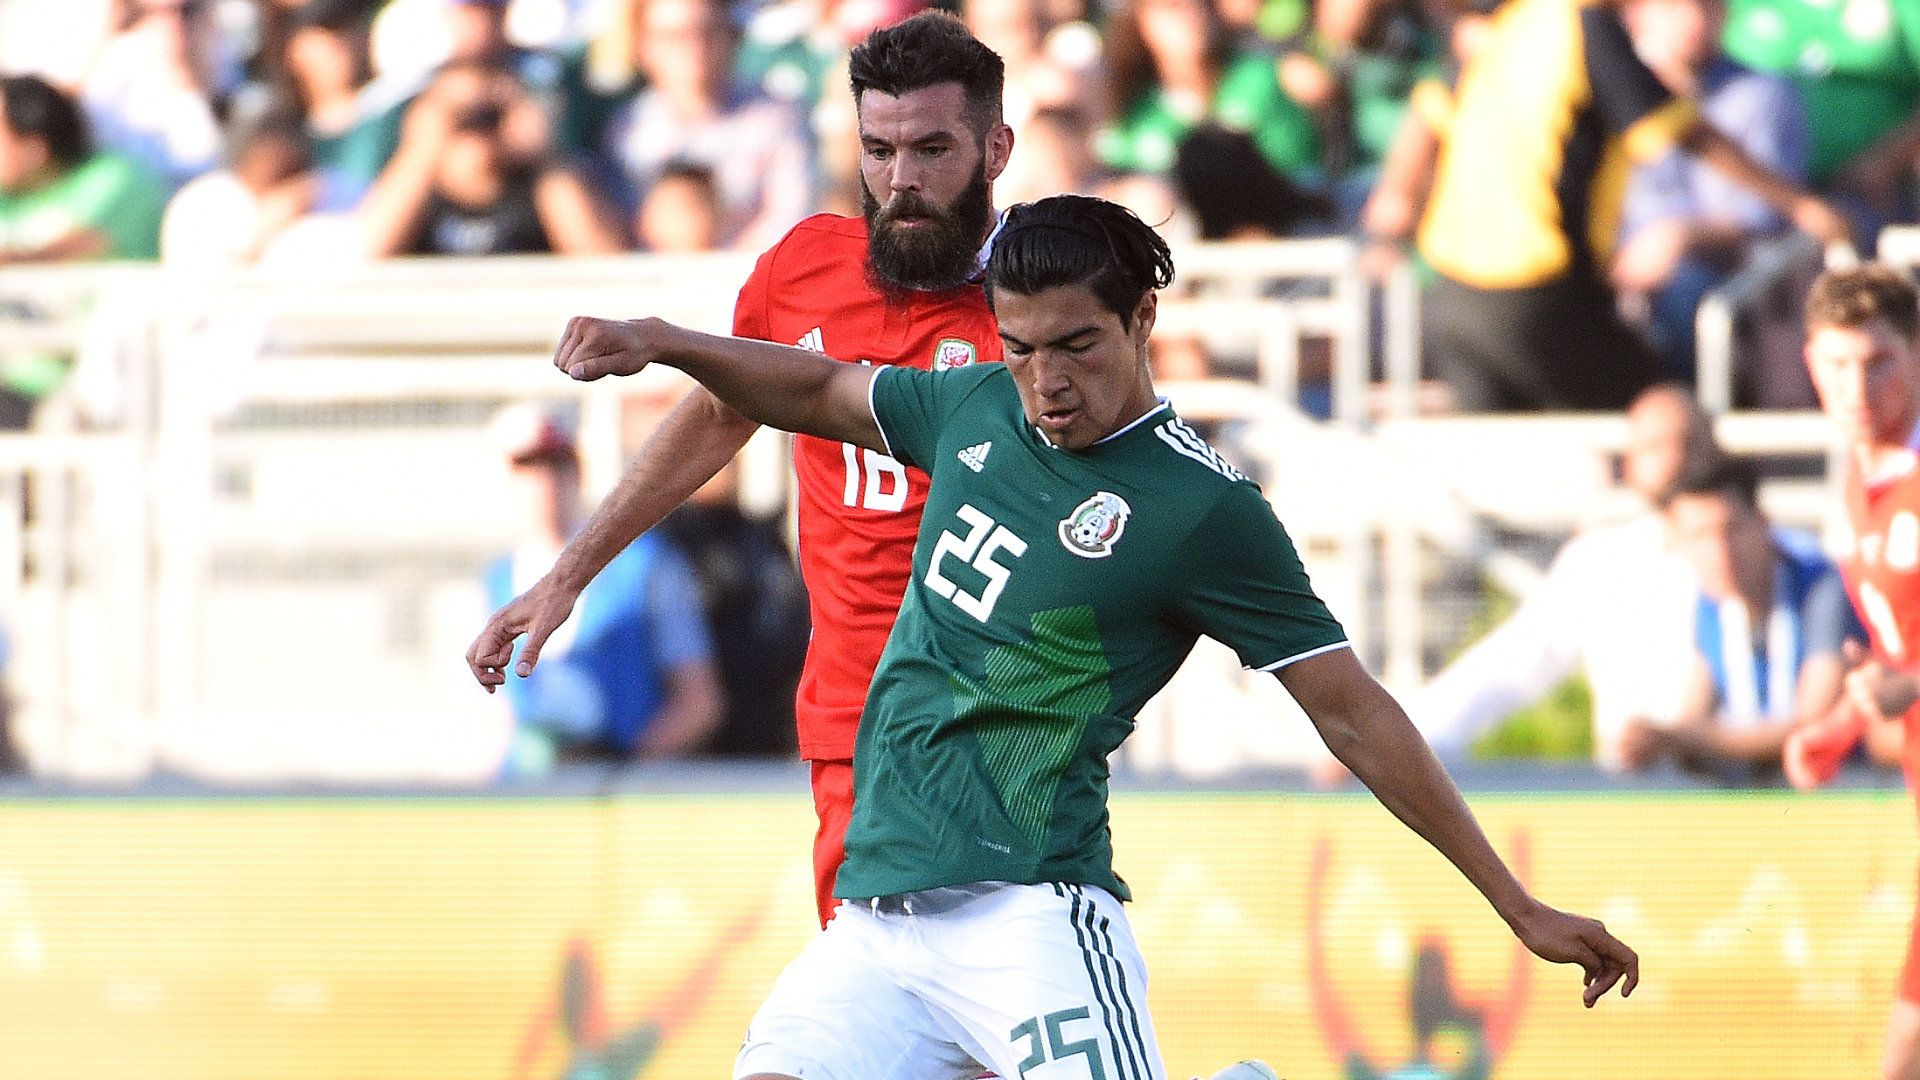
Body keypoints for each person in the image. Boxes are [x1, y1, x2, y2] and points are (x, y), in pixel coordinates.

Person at [508, 193, 1637, 1080]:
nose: (1047, 382)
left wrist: (1515, 901)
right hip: (880, 920)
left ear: (1146, 321)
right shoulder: (976, 406)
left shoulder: (1203, 510)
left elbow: (1351, 709)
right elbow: (811, 386)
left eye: (1078, 346)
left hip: (1030, 907)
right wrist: (666, 341)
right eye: (1022, 347)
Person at [469, 11, 1012, 929]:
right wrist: (567, 576)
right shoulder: (806, 267)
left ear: (996, 147)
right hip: (853, 719)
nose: (902, 181)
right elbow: (721, 411)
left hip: (999, 722)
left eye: (932, 149)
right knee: (892, 1022)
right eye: (879, 151)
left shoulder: (1043, 296)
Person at [1361, 0, 1850, 412]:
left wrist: (1394, 200)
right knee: (1662, 422)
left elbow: (1428, 112)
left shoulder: (1516, 21)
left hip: (1452, 298)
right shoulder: (1583, 22)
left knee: (1518, 474)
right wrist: (1799, 203)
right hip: (1536, 290)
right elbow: (1679, 129)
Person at [1405, 384, 1718, 769]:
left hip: (1750, 791)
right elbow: (1511, 663)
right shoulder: (1603, 559)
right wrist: (1392, 743)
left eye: (1689, 441)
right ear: (1630, 465)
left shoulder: (1771, 551)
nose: (1677, 457)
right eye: (1655, 446)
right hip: (1638, 798)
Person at [1782, 264, 1920, 1080]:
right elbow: (1895, 658)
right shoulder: (1857, 485)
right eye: (1838, 365)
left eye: (1879, 361)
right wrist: (1833, 728)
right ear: (1810, 368)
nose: (1857, 386)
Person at [482, 405, 722, 775]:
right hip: (528, 798)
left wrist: (623, 771)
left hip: (617, 797)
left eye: (556, 465)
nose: (544, 482)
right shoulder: (496, 584)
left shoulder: (644, 565)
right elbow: (497, 720)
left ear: (577, 470)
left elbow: (699, 701)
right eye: (528, 468)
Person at [1617, 454, 1863, 781]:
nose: (1720, 551)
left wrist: (1679, 738)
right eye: (1699, 536)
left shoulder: (1821, 588)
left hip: (1849, 796)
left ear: (1763, 523)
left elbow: (1812, 727)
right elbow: (1695, 712)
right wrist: (1651, 740)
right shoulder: (1711, 602)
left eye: (1730, 530)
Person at [1614, 0, 1808, 376]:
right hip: (1616, 274)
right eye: (1673, 7)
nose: (1693, 20)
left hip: (1728, 284)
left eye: (1705, 6)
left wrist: (1679, 236)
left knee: (1684, 295)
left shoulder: (1763, 95)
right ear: (1636, 13)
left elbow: (1766, 218)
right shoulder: (1612, 95)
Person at [602, 0, 815, 250]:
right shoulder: (627, 130)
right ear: (643, 45)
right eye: (675, 36)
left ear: (732, 35)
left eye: (707, 31)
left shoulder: (778, 120)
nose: (695, 47)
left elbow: (790, 220)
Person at [359, 58, 624, 257]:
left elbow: (603, 261)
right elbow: (368, 253)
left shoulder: (543, 187)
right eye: (461, 117)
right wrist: (420, 150)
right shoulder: (418, 192)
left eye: (490, 115)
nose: (478, 129)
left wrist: (545, 154)